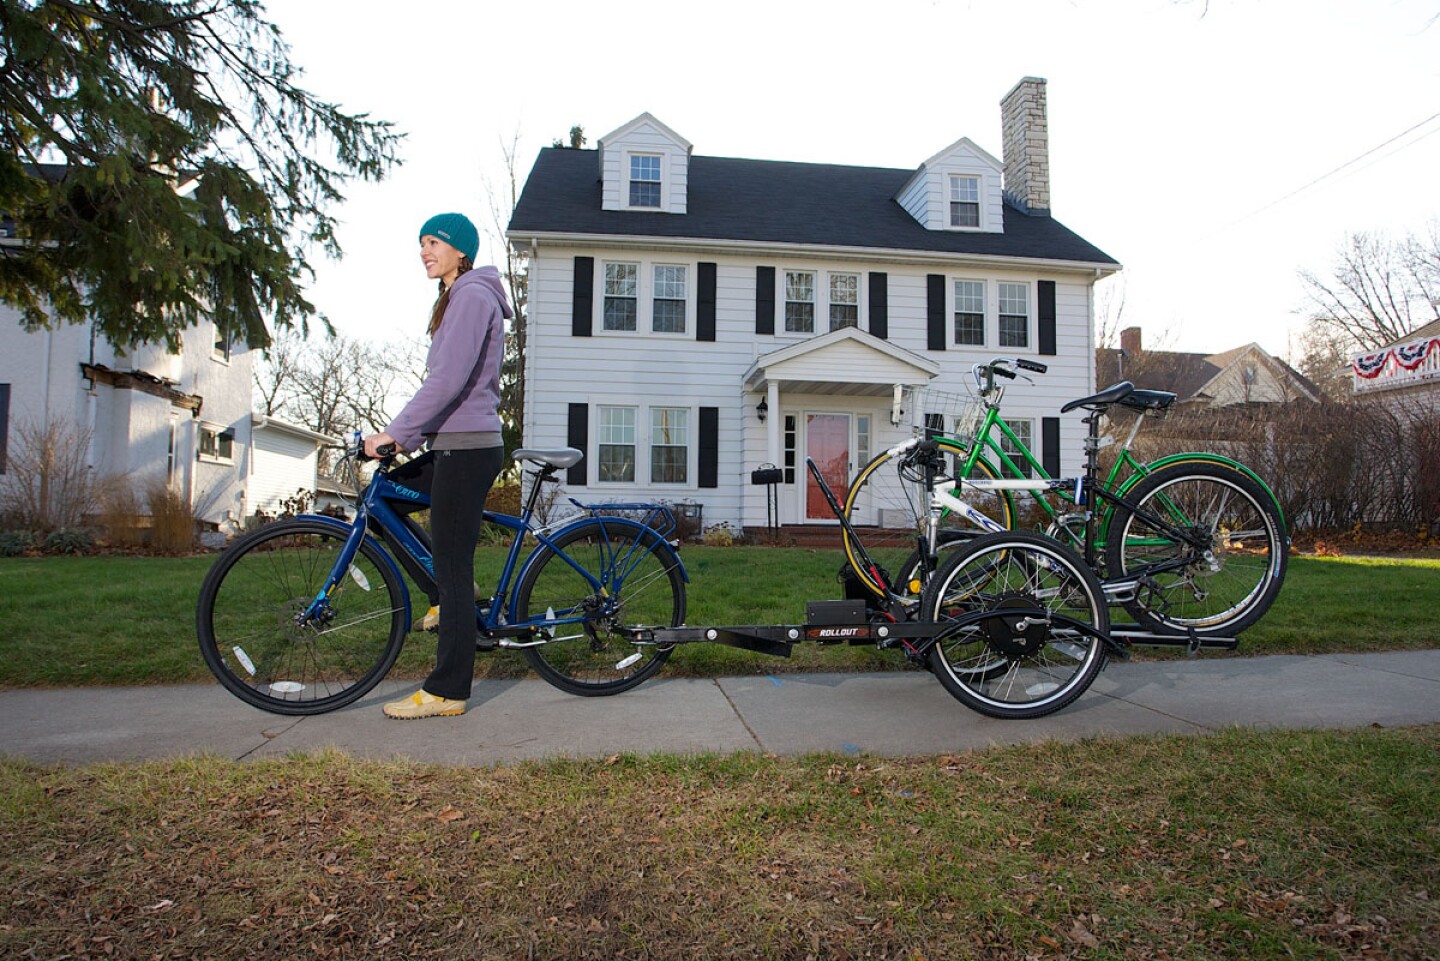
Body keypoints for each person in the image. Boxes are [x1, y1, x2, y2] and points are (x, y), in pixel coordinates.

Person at [364, 212, 512, 719]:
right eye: (422, 243)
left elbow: (447, 380)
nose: (424, 251)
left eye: (434, 242)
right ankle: (445, 597)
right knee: (382, 501)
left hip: (466, 449)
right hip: (454, 443)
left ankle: (449, 690)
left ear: (461, 251)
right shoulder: (456, 297)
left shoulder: (470, 295)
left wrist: (395, 435)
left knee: (452, 565)